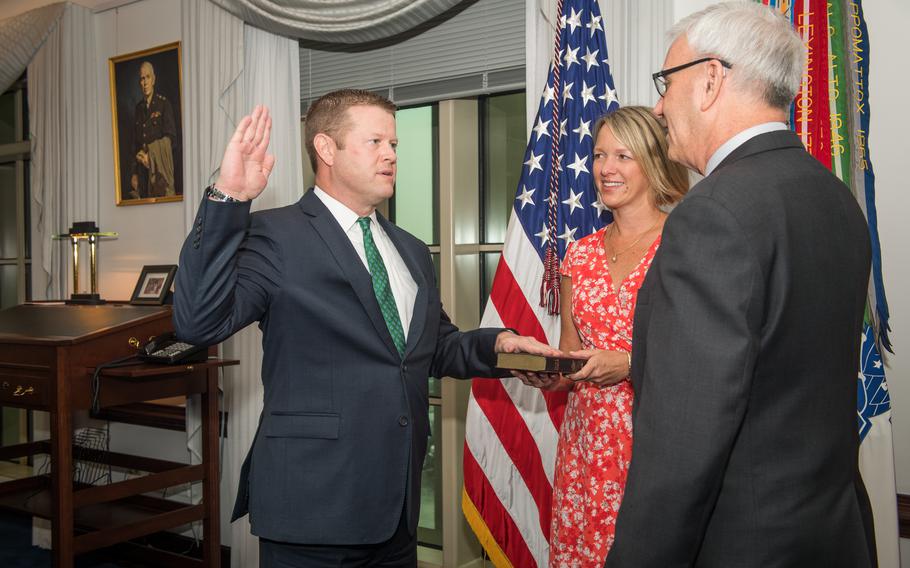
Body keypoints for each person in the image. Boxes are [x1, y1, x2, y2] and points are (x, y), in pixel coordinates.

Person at [173, 89, 558, 567]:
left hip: (396, 507)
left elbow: (434, 347)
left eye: (394, 144)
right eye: (375, 141)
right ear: (326, 149)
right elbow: (197, 322)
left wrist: (499, 345)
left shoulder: (411, 249)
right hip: (312, 508)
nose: (391, 155)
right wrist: (227, 198)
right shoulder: (275, 234)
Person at [604, 3, 875, 567]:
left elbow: (684, 444)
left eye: (665, 82)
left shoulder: (713, 215)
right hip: (830, 538)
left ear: (709, 80)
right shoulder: (835, 199)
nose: (658, 106)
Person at [540, 106, 688, 567]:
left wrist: (627, 364)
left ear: (653, 160)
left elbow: (703, 356)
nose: (606, 168)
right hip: (585, 450)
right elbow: (570, 354)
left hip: (654, 446)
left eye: (623, 155)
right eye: (600, 155)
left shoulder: (685, 242)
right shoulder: (578, 254)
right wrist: (550, 372)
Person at [129, 61, 177, 199]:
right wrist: (134, 173)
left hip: (159, 173)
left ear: (154, 79)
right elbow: (134, 144)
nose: (145, 82)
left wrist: (151, 156)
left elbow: (171, 139)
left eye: (148, 77)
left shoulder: (164, 104)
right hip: (142, 176)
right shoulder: (138, 109)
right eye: (142, 78)